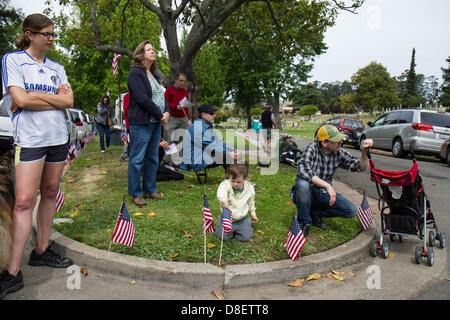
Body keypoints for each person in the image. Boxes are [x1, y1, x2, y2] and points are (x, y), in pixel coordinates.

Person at [0, 13, 74, 299]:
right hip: (30, 140)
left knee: (51, 191)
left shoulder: (58, 67)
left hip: (58, 139)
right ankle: (12, 271)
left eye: (54, 34)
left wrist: (36, 100)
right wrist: (51, 101)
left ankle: (41, 250)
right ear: (30, 34)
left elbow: (68, 101)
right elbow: (19, 100)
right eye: (47, 34)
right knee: (23, 202)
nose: (52, 39)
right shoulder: (13, 60)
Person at [291, 124, 373, 236]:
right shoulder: (312, 149)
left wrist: (364, 152)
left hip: (323, 193)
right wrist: (327, 186)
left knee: (351, 210)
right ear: (324, 143)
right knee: (302, 185)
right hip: (306, 191)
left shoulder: (338, 152)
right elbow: (304, 171)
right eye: (337, 140)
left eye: (341, 139)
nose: (341, 142)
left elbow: (361, 167)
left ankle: (314, 213)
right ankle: (304, 222)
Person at [127, 40, 169, 206]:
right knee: (137, 158)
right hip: (142, 123)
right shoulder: (136, 74)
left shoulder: (154, 75)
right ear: (140, 54)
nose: (153, 52)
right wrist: (160, 115)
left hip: (156, 123)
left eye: (153, 49)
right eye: (148, 49)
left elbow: (162, 96)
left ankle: (150, 189)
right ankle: (136, 193)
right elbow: (142, 98)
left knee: (152, 158)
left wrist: (166, 112)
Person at [179, 104, 239, 172]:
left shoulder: (208, 126)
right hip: (197, 160)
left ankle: (236, 178)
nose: (214, 115)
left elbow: (218, 142)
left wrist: (234, 150)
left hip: (205, 154)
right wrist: (229, 154)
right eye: (211, 113)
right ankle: (230, 180)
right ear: (203, 115)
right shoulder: (196, 128)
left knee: (230, 154)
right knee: (225, 155)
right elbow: (210, 146)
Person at [216, 164, 258, 242]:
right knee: (222, 237)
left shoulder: (249, 188)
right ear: (229, 177)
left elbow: (251, 201)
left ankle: (244, 228)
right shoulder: (225, 185)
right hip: (227, 218)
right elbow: (221, 193)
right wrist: (224, 201)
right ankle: (226, 230)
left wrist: (253, 212)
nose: (235, 184)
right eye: (233, 181)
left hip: (242, 218)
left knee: (245, 237)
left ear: (245, 179)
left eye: (239, 182)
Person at [163, 72, 190, 145]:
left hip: (183, 118)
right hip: (172, 117)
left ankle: (179, 156)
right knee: (168, 138)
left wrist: (187, 119)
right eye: (180, 81)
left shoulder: (185, 92)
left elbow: (186, 106)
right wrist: (176, 106)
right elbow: (165, 103)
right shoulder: (169, 90)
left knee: (182, 139)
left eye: (184, 81)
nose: (182, 83)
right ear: (176, 80)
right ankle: (167, 156)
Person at [119, 92, 130, 162]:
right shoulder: (127, 96)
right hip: (131, 124)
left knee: (130, 142)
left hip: (135, 124)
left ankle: (124, 155)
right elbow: (126, 110)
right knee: (130, 142)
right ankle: (124, 155)